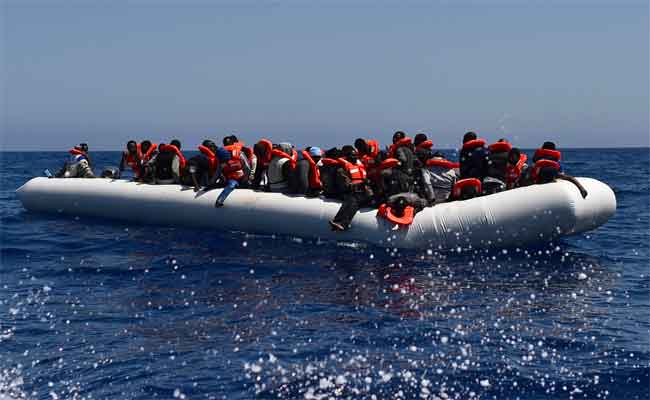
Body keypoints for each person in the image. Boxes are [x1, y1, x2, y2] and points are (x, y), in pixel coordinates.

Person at [329, 146, 373, 231]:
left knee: (354, 199)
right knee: (352, 200)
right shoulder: (341, 170)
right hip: (349, 193)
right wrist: (361, 184)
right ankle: (343, 223)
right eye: (353, 155)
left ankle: (339, 221)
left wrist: (366, 183)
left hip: (363, 193)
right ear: (346, 157)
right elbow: (345, 187)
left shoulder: (359, 166)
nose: (355, 157)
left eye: (356, 155)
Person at [213, 143, 252, 207]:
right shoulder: (221, 162)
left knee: (249, 183)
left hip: (243, 178)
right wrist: (211, 183)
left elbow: (247, 168)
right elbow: (217, 173)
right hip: (232, 179)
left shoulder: (239, 155)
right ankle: (219, 200)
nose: (224, 162)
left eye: (225, 160)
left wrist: (246, 179)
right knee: (231, 184)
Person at [386, 131, 417, 195]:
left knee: (383, 173)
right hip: (410, 173)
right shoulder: (409, 149)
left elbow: (402, 159)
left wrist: (394, 164)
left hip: (402, 173)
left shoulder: (399, 149)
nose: (393, 139)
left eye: (395, 138)